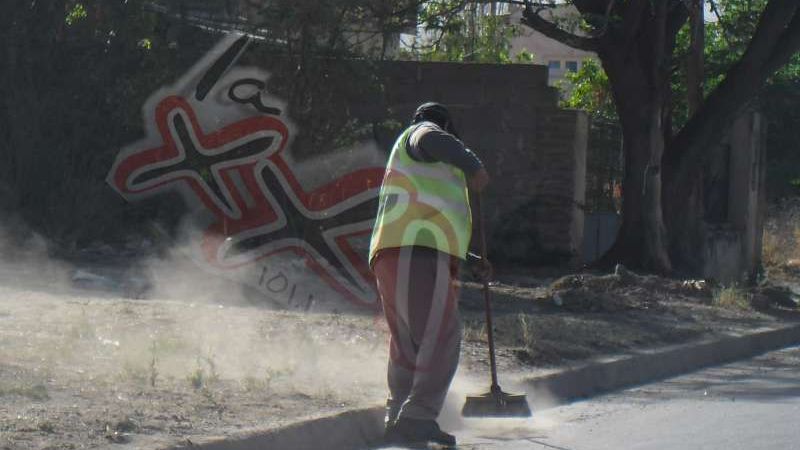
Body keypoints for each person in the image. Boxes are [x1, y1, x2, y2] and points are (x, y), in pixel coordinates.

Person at [369, 102, 490, 447]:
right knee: (442, 335)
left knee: (410, 341)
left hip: (395, 252)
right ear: (446, 127)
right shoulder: (422, 135)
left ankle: (398, 415)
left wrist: (470, 258)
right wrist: (474, 166)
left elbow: (434, 216)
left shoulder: (415, 164)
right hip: (416, 252)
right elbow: (430, 136)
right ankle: (419, 416)